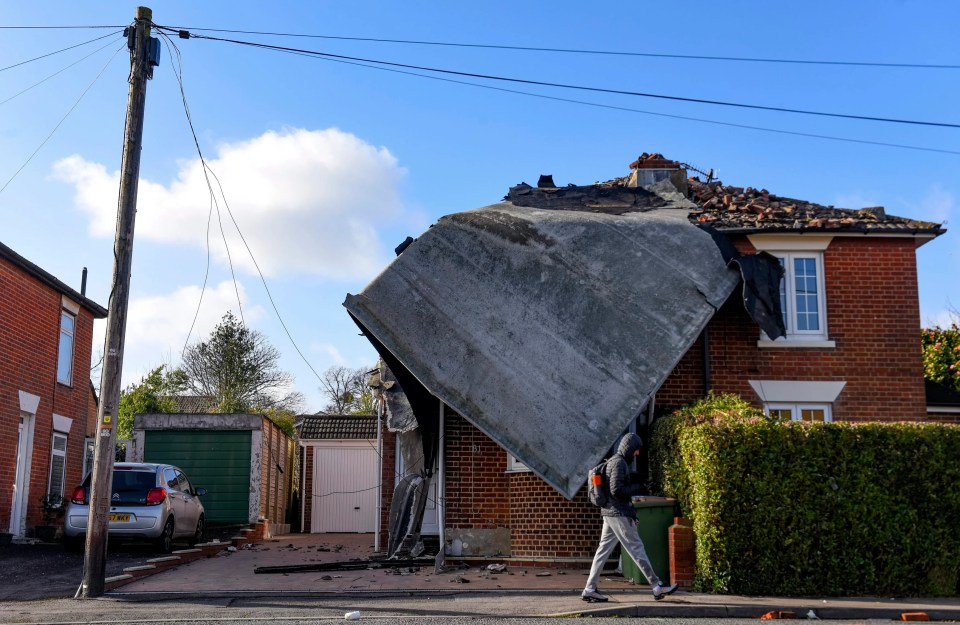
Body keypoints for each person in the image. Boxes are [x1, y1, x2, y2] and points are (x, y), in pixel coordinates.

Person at [582, 432, 678, 603]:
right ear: (629, 448)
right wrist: (638, 487)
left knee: (602, 551)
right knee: (637, 549)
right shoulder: (619, 463)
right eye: (636, 450)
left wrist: (632, 511)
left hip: (609, 513)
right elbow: (617, 491)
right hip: (618, 514)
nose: (637, 454)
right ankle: (657, 586)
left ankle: (590, 588)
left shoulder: (613, 461)